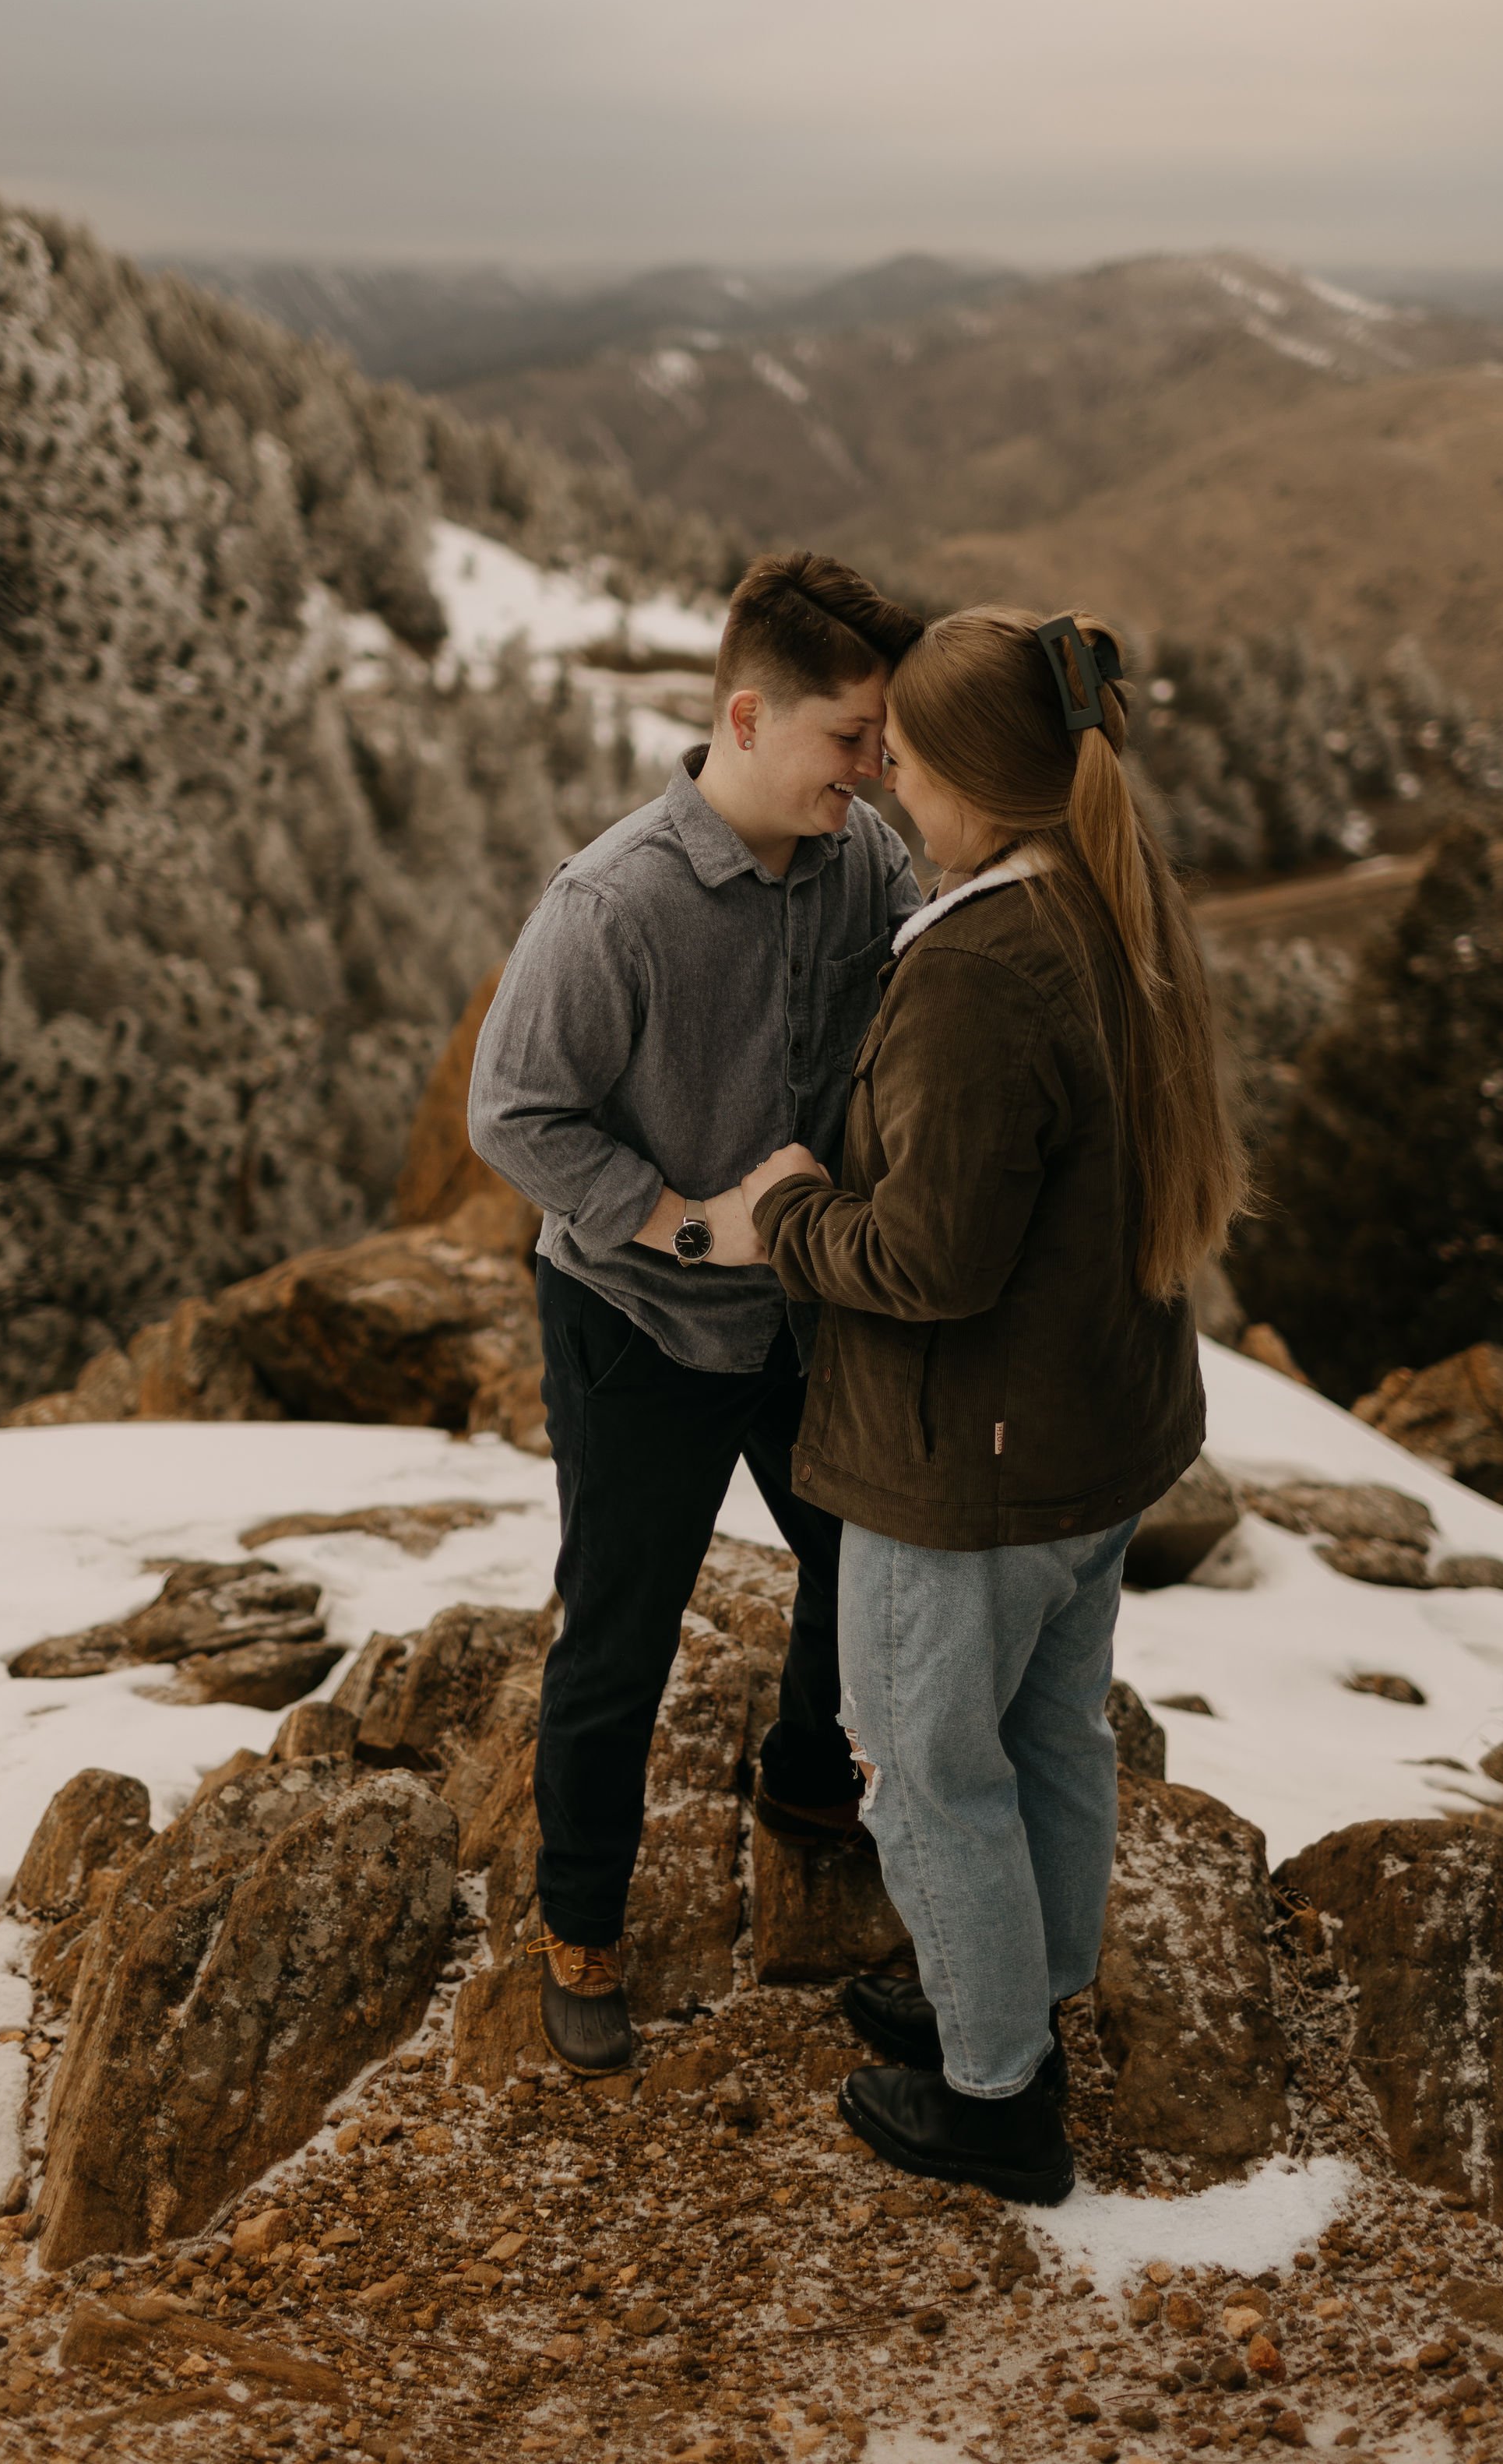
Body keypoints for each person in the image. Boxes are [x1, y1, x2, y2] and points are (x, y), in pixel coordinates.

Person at [740, 604, 1248, 2205]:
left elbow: (931, 1259)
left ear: (976, 777)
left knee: (925, 1763)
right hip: (1098, 1439)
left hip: (970, 1463)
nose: (883, 779)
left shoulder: (978, 966)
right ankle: (1020, 1985)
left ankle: (997, 2098)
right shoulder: (1111, 903)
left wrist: (792, 1216)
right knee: (1049, 1731)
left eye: (903, 757)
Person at [467, 551, 924, 2073]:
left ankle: (805, 1780)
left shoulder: (863, 865)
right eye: (849, 740)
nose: (874, 774)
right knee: (622, 1636)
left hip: (804, 1323)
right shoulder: (613, 904)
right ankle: (581, 1923)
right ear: (744, 714)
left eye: (882, 744)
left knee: (859, 1562)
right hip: (636, 1331)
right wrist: (684, 1222)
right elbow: (513, 1113)